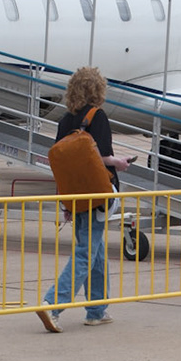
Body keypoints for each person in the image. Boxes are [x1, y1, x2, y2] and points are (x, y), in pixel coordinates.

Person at [38, 67, 128, 332]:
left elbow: (61, 164)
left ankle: (97, 309)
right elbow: (101, 157)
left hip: (75, 194)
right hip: (98, 193)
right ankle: (53, 304)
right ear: (98, 90)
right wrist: (118, 163)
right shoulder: (97, 116)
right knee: (86, 253)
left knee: (95, 251)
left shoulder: (65, 121)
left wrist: (65, 201)